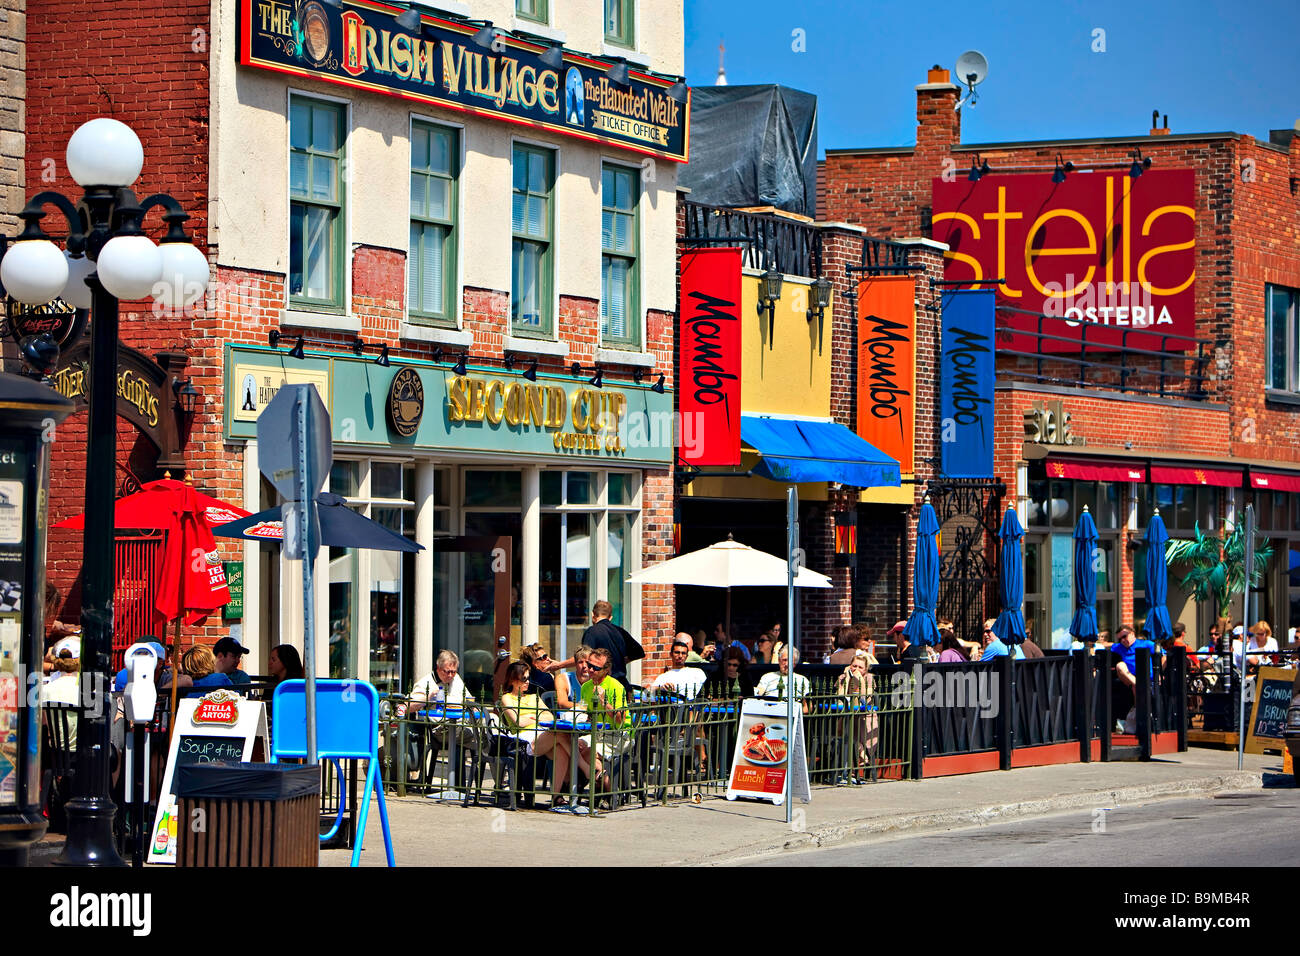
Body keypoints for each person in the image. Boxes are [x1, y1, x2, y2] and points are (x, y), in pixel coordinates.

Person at [576, 647, 633, 796]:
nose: (590, 670)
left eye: (595, 667)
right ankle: (595, 780)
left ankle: (608, 789)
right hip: (597, 732)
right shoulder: (586, 687)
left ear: (606, 670)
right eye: (589, 665)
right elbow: (587, 714)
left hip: (619, 734)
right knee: (572, 746)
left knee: (588, 753)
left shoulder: (616, 686)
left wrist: (604, 702)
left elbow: (619, 721)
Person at [835, 648, 878, 782]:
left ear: (866, 669)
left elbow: (866, 698)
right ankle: (856, 763)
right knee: (847, 732)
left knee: (858, 733)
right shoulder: (843, 677)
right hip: (847, 714)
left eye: (860, 667)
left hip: (865, 715)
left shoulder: (869, 678)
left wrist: (859, 679)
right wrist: (848, 679)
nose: (856, 669)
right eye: (854, 666)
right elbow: (840, 697)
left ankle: (860, 759)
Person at [1109, 625, 1161, 732]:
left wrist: (1159, 673)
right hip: (1129, 678)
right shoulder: (1117, 647)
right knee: (1120, 666)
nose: (1122, 640)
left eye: (1124, 636)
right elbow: (1105, 646)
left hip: (1148, 678)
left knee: (1135, 686)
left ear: (1132, 633)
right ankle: (1140, 688)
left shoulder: (1147, 644)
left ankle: (1139, 711)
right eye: (1120, 639)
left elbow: (1163, 655)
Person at [409, 650, 475, 714]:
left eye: (453, 672)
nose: (450, 675)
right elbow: (408, 707)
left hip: (460, 721)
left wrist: (473, 707)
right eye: (447, 671)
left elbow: (469, 699)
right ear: (438, 668)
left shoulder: (456, 678)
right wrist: (428, 697)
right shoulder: (425, 683)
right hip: (438, 723)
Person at [755, 646, 811, 713]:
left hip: (793, 713)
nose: (786, 664)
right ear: (779, 660)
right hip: (770, 712)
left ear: (794, 664)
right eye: (784, 660)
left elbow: (808, 706)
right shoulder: (767, 677)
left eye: (790, 661)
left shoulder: (802, 680)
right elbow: (757, 694)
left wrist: (795, 714)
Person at [649, 635, 707, 700]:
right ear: (671, 654)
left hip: (694, 707)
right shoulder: (664, 677)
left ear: (687, 656)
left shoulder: (697, 672)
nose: (680, 656)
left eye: (683, 653)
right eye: (677, 653)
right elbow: (646, 694)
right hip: (675, 708)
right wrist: (661, 688)